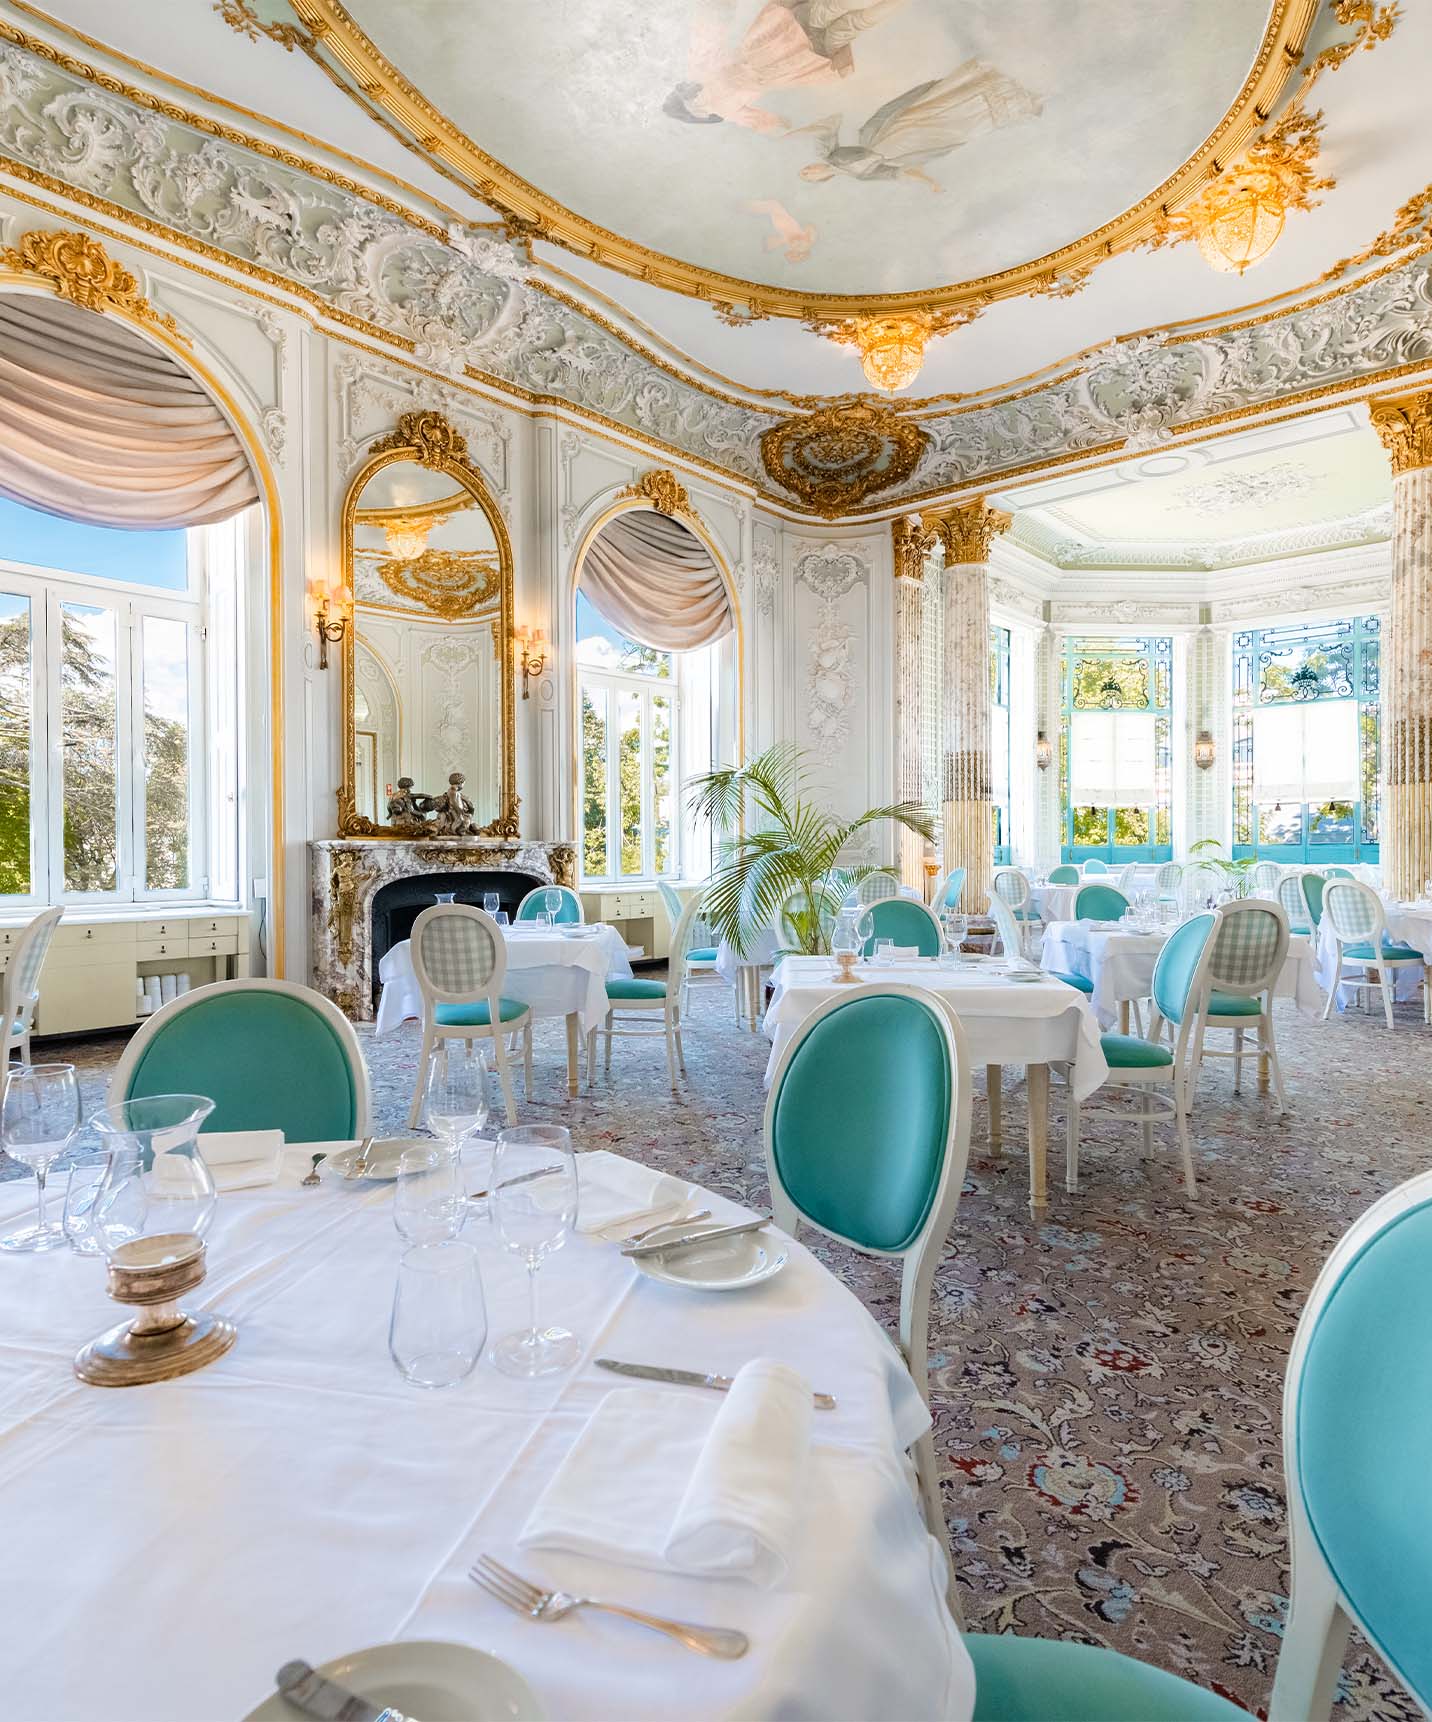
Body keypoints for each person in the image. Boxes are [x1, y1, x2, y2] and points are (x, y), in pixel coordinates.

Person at [794, 58, 1041, 191]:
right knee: (956, 127)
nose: (810, 171)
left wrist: (796, 131)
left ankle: (993, 84)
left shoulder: (829, 154)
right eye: (809, 177)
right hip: (900, 153)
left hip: (887, 135)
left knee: (937, 108)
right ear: (819, 181)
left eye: (806, 170)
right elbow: (897, 173)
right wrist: (929, 183)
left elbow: (828, 125)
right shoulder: (861, 177)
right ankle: (1012, 103)